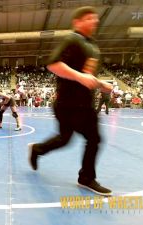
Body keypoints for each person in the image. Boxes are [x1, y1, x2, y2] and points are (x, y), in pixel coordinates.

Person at [28, 6, 113, 196]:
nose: (95, 21)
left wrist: (100, 84)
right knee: (91, 138)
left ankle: (37, 149)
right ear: (78, 22)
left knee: (67, 139)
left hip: (84, 104)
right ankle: (86, 178)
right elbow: (53, 64)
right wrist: (80, 77)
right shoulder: (72, 39)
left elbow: (87, 75)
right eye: (90, 18)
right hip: (69, 104)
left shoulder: (93, 46)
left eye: (96, 18)